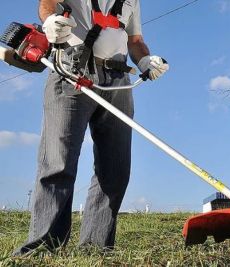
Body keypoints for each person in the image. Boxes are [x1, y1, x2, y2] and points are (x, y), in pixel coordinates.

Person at [13, 0, 168, 255]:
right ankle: (44, 246)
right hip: (72, 69)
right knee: (58, 162)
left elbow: (135, 40)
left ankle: (96, 247)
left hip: (118, 80)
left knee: (115, 168)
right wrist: (50, 20)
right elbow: (47, 4)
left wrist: (145, 61)